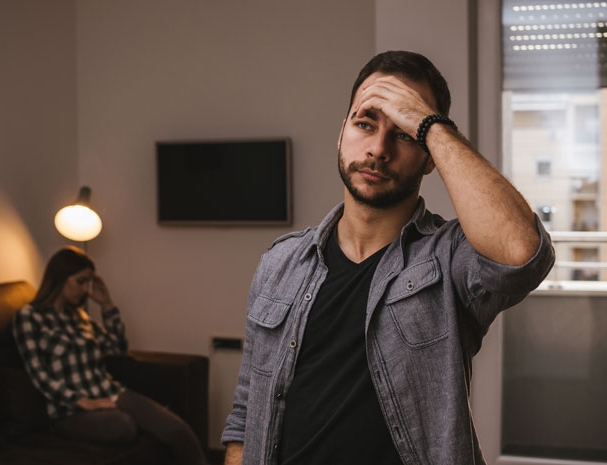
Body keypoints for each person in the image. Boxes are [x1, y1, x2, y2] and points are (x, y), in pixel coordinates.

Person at [221, 51, 555, 465]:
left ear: (430, 155)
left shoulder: (448, 259)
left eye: (403, 133)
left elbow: (522, 253)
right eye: (365, 124)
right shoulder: (280, 262)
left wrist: (430, 125)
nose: (378, 149)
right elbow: (245, 415)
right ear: (342, 133)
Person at [12, 246, 207, 465]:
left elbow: (117, 350)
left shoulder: (79, 316)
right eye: (81, 281)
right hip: (70, 411)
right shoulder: (30, 317)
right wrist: (83, 401)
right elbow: (38, 373)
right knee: (123, 426)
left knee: (177, 429)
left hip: (112, 394)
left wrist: (106, 305)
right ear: (60, 279)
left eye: (89, 282)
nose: (87, 290)